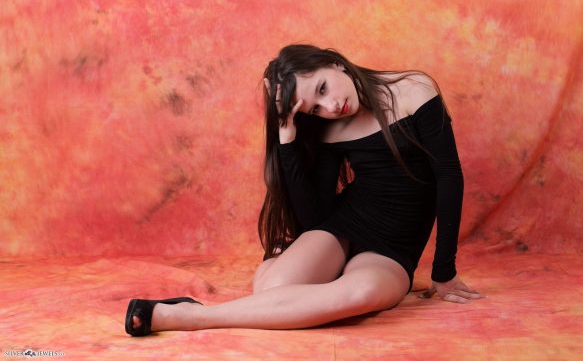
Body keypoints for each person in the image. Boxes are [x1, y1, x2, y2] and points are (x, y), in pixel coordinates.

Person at [124, 44, 483, 337]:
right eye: (315, 108)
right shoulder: (329, 128)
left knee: (360, 294)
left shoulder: (413, 89)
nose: (331, 107)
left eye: (323, 89)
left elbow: (448, 176)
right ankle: (262, 279)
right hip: (345, 224)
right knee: (271, 291)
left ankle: (190, 316)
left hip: (393, 248)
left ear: (335, 63)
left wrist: (443, 270)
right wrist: (288, 140)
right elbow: (315, 216)